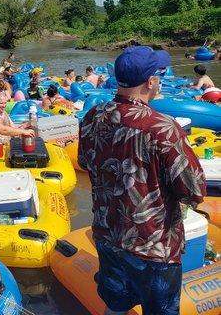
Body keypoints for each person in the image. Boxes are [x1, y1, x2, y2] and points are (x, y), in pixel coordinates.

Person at [78, 46, 206, 315]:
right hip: (152, 247)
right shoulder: (163, 128)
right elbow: (194, 190)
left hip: (108, 234)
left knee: (115, 305)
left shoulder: (92, 117)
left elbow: (84, 162)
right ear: (151, 82)